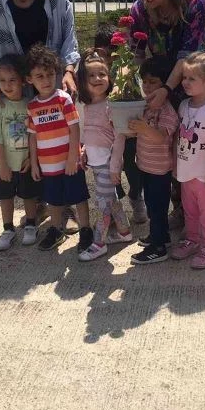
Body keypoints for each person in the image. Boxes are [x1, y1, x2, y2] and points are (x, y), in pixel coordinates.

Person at [129, 0, 205, 231]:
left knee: (194, 139)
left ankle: (198, 203)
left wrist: (168, 89)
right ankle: (178, 203)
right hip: (163, 78)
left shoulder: (193, 4)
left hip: (195, 74)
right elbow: (137, 54)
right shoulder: (139, 10)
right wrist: (138, 86)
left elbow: (186, 56)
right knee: (168, 142)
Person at [25, 44, 93, 254]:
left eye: (50, 74)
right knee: (53, 200)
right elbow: (33, 136)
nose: (46, 80)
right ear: (29, 79)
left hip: (70, 162)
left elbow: (74, 128)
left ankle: (86, 230)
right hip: (48, 165)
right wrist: (34, 163)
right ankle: (56, 230)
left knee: (79, 197)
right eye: (40, 76)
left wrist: (73, 157)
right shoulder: (32, 106)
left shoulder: (63, 98)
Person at [75, 49, 133, 262]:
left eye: (102, 74)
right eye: (91, 75)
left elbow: (119, 137)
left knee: (103, 206)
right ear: (83, 81)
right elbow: (91, 134)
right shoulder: (87, 106)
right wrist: (83, 151)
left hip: (109, 164)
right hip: (97, 164)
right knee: (110, 200)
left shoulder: (111, 106)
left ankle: (98, 243)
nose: (98, 78)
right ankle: (124, 232)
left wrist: (116, 166)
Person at [171, 52, 205, 269]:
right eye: (184, 77)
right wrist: (176, 163)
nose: (185, 82)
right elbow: (178, 137)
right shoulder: (184, 106)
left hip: (204, 175)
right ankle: (192, 240)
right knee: (190, 211)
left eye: (192, 78)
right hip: (186, 171)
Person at [128, 56, 180, 265]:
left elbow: (161, 137)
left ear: (164, 84)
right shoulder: (146, 105)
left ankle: (158, 248)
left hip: (160, 170)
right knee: (151, 204)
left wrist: (144, 128)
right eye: (145, 82)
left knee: (158, 208)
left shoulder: (166, 110)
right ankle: (161, 237)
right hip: (145, 165)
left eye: (153, 82)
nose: (148, 86)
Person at [0, 54, 40, 250]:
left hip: (25, 163)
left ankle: (31, 225)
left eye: (12, 80)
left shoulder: (32, 105)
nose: (7, 85)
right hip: (3, 165)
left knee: (29, 196)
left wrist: (32, 159)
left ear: (23, 80)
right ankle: (8, 229)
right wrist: (3, 166)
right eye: (2, 81)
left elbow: (36, 136)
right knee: (5, 197)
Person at [93, 23, 146, 223]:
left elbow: (137, 95)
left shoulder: (126, 69)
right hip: (106, 132)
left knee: (132, 166)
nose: (113, 58)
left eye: (117, 52)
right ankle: (115, 204)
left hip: (126, 130)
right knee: (108, 169)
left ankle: (136, 197)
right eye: (110, 53)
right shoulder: (94, 72)